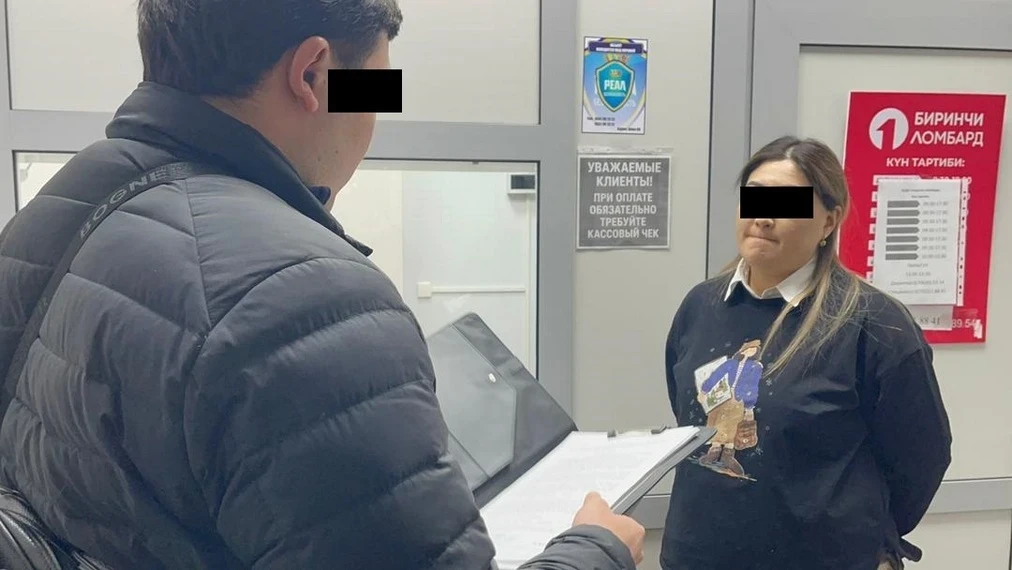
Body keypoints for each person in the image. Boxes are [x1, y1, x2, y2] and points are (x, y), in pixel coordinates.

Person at [0, 1, 645, 568]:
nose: (374, 122)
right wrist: (596, 549)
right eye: (377, 86)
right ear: (311, 74)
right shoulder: (305, 296)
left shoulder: (52, 220)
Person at [661, 136, 952, 570]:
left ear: (829, 221)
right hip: (697, 555)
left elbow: (923, 456)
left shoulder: (874, 323)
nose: (763, 218)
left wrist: (871, 540)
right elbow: (686, 409)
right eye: (755, 198)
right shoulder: (701, 306)